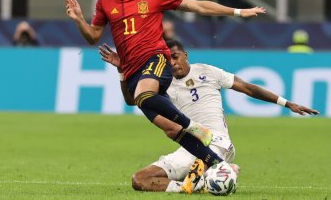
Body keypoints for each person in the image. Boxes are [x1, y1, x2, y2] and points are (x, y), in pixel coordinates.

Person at [65, 0, 266, 193]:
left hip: (155, 60)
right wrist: (78, 20)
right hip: (133, 71)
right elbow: (93, 36)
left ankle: (194, 126)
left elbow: (197, 6)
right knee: (171, 129)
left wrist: (237, 12)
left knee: (144, 96)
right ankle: (213, 170)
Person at [99, 39, 319, 194]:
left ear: (185, 55)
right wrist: (123, 70)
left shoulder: (207, 71)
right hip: (189, 147)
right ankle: (203, 182)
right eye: (167, 60)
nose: (172, 63)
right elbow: (132, 100)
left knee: (195, 169)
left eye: (175, 57)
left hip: (216, 142)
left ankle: (209, 172)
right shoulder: (162, 84)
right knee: (140, 180)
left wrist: (286, 103)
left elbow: (246, 87)